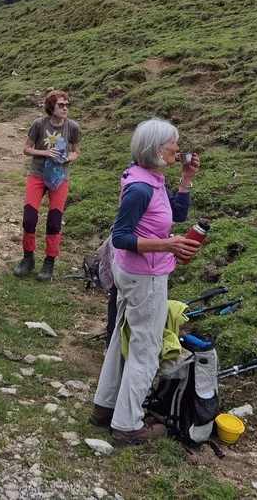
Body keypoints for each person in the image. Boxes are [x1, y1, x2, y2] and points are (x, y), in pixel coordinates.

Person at [90, 117, 201, 446]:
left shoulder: (150, 176)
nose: (178, 148)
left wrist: (186, 180)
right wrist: (168, 244)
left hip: (135, 273)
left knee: (124, 335)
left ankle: (105, 407)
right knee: (146, 349)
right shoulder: (140, 188)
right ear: (155, 149)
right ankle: (128, 425)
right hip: (144, 277)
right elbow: (121, 237)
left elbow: (175, 215)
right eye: (172, 143)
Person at [13, 90, 80, 281]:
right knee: (29, 218)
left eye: (67, 105)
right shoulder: (39, 124)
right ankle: (28, 258)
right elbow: (26, 149)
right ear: (51, 107)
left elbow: (77, 151)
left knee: (54, 220)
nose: (65, 108)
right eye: (61, 105)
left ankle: (49, 262)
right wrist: (44, 153)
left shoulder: (73, 127)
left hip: (60, 177)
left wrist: (68, 157)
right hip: (38, 175)